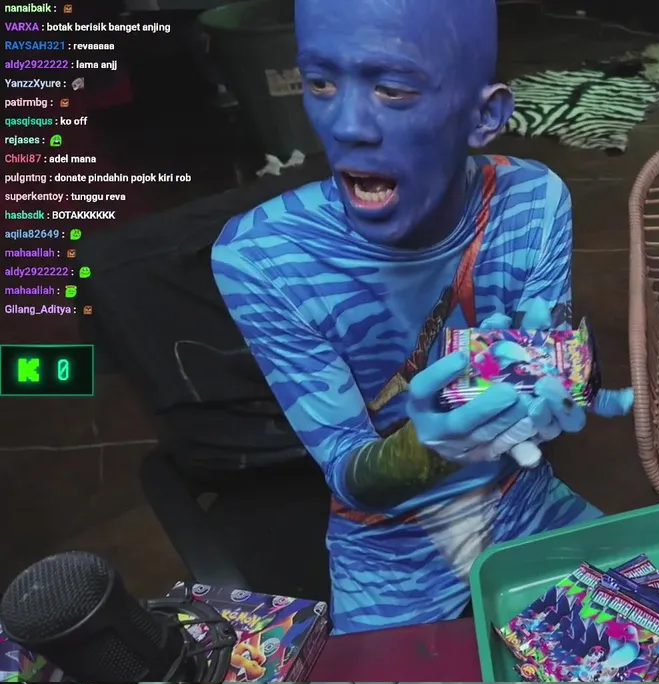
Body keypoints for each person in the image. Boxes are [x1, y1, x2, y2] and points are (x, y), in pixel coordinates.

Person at [210, 0, 630, 634]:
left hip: (525, 508)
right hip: (389, 556)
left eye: (393, 89)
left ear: (485, 116)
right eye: (319, 83)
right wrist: (424, 449)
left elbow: (548, 372)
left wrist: (571, 374)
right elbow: (349, 472)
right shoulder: (264, 257)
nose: (347, 125)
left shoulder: (533, 201)